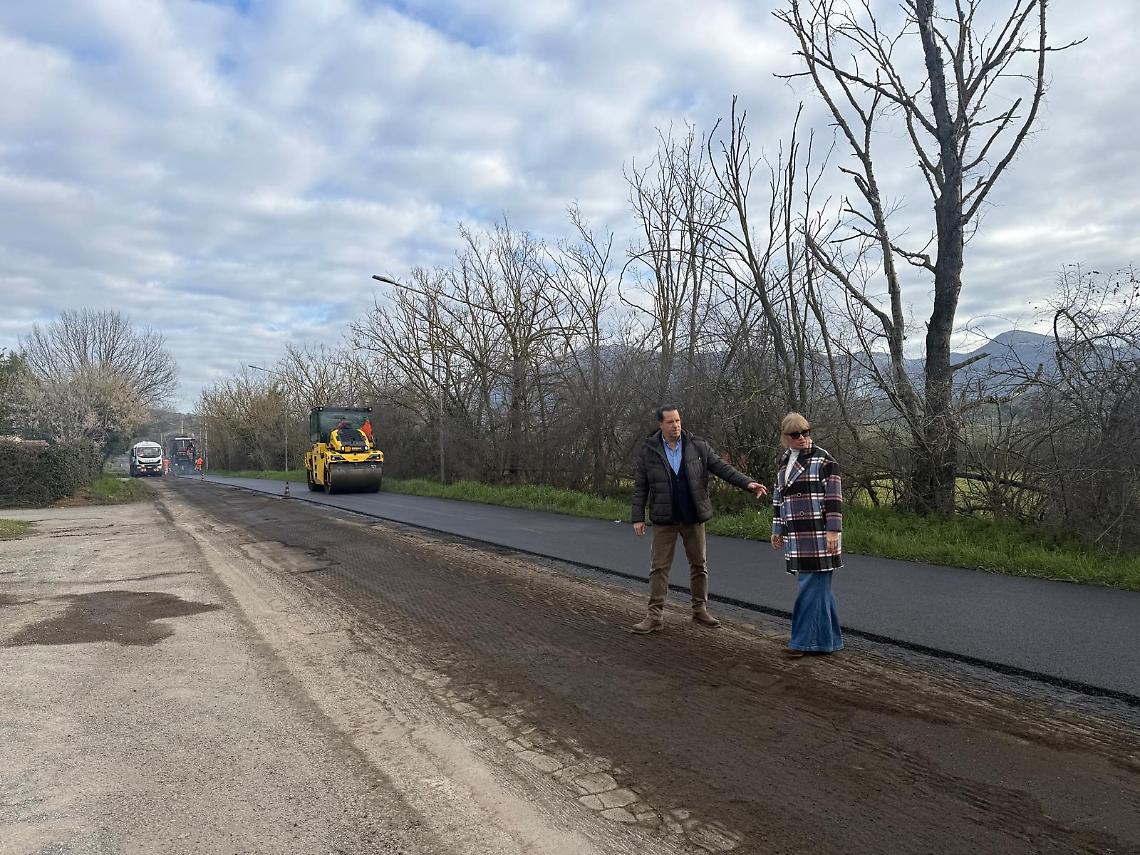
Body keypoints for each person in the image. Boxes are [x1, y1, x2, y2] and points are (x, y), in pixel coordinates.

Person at [630, 405, 767, 634]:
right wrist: (638, 517)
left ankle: (699, 610)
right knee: (659, 568)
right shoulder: (649, 450)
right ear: (660, 425)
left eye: (678, 421)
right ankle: (654, 616)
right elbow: (640, 486)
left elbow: (722, 468)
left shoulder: (697, 446)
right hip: (665, 519)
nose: (676, 425)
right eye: (671, 422)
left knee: (699, 565)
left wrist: (747, 483)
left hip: (693, 516)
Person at [770, 412, 844, 657]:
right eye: (795, 434)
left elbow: (834, 499)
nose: (802, 438)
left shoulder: (824, 460)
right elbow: (779, 499)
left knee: (811, 587)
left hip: (820, 535)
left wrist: (833, 531)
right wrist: (777, 530)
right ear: (785, 437)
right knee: (819, 589)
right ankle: (827, 641)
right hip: (797, 536)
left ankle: (801, 642)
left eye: (806, 432)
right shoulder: (783, 462)